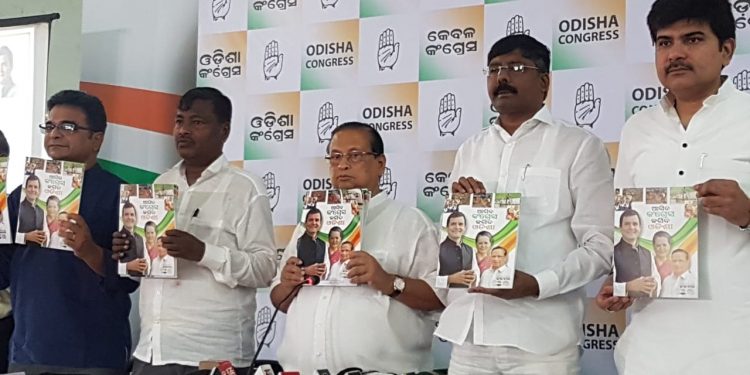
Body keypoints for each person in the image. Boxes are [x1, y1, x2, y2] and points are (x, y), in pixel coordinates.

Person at [436, 34, 613, 374]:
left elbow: (601, 246)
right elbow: (453, 242)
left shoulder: (578, 146)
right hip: (469, 336)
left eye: (516, 67)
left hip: (540, 342)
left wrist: (537, 284)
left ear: (544, 82)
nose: (502, 77)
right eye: (494, 69)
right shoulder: (470, 149)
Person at [595, 1, 750, 373]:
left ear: (726, 50)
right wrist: (620, 281)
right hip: (652, 348)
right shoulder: (637, 129)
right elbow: (629, 226)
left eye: (692, 39)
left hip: (735, 345)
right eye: (664, 43)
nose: (676, 53)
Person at [112, 87, 277, 374]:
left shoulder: (246, 188)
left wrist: (203, 252)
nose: (183, 130)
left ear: (223, 131)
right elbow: (150, 263)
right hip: (152, 351)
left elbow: (264, 268)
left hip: (210, 355)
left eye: (197, 123)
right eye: (179, 121)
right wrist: (131, 253)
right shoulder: (160, 184)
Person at [271, 122, 445, 374]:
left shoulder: (411, 223)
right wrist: (288, 284)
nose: (342, 165)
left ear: (380, 164)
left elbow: (441, 299)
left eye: (355, 156)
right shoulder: (310, 224)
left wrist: (388, 281)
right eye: (336, 157)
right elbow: (280, 300)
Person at [0, 90, 138, 374]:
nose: (55, 134)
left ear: (96, 139)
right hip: (29, 350)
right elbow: (3, 268)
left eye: (68, 127)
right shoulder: (22, 195)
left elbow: (130, 278)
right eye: (50, 126)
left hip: (94, 354)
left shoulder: (122, 196)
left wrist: (89, 250)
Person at [613, 209, 661, 297]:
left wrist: (655, 284)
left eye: (635, 224)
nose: (631, 227)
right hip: (621, 308)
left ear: (640, 228)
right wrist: (628, 286)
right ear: (620, 228)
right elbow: (605, 288)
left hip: (646, 307)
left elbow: (656, 277)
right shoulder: (612, 253)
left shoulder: (648, 253)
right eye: (627, 224)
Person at [438, 211, 478, 288]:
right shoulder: (438, 249)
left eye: (460, 224)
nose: (457, 227)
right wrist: (450, 279)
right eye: (453, 224)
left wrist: (474, 277)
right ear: (447, 228)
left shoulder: (470, 249)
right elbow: (430, 280)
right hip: (444, 297)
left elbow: (476, 271)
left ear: (465, 228)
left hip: (467, 296)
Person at [118, 202, 148, 277]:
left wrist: (146, 265)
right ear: (122, 218)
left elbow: (146, 259)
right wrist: (127, 266)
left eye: (132, 214)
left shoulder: (141, 238)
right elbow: (109, 266)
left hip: (141, 281)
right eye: (126, 214)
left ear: (136, 218)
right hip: (122, 282)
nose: (129, 217)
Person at [296, 207, 327, 278]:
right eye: (310, 220)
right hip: (300, 286)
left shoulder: (323, 244)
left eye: (317, 220)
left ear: (320, 223)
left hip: (318, 286)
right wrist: (305, 270)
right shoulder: (297, 242)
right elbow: (288, 270)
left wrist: (325, 270)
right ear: (305, 223)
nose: (314, 223)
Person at [17, 175, 46, 246]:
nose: (33, 189)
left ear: (39, 191)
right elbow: (9, 234)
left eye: (35, 187)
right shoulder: (17, 208)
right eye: (30, 186)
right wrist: (26, 236)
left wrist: (45, 238)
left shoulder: (42, 211)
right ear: (25, 189)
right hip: (20, 252)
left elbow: (45, 232)